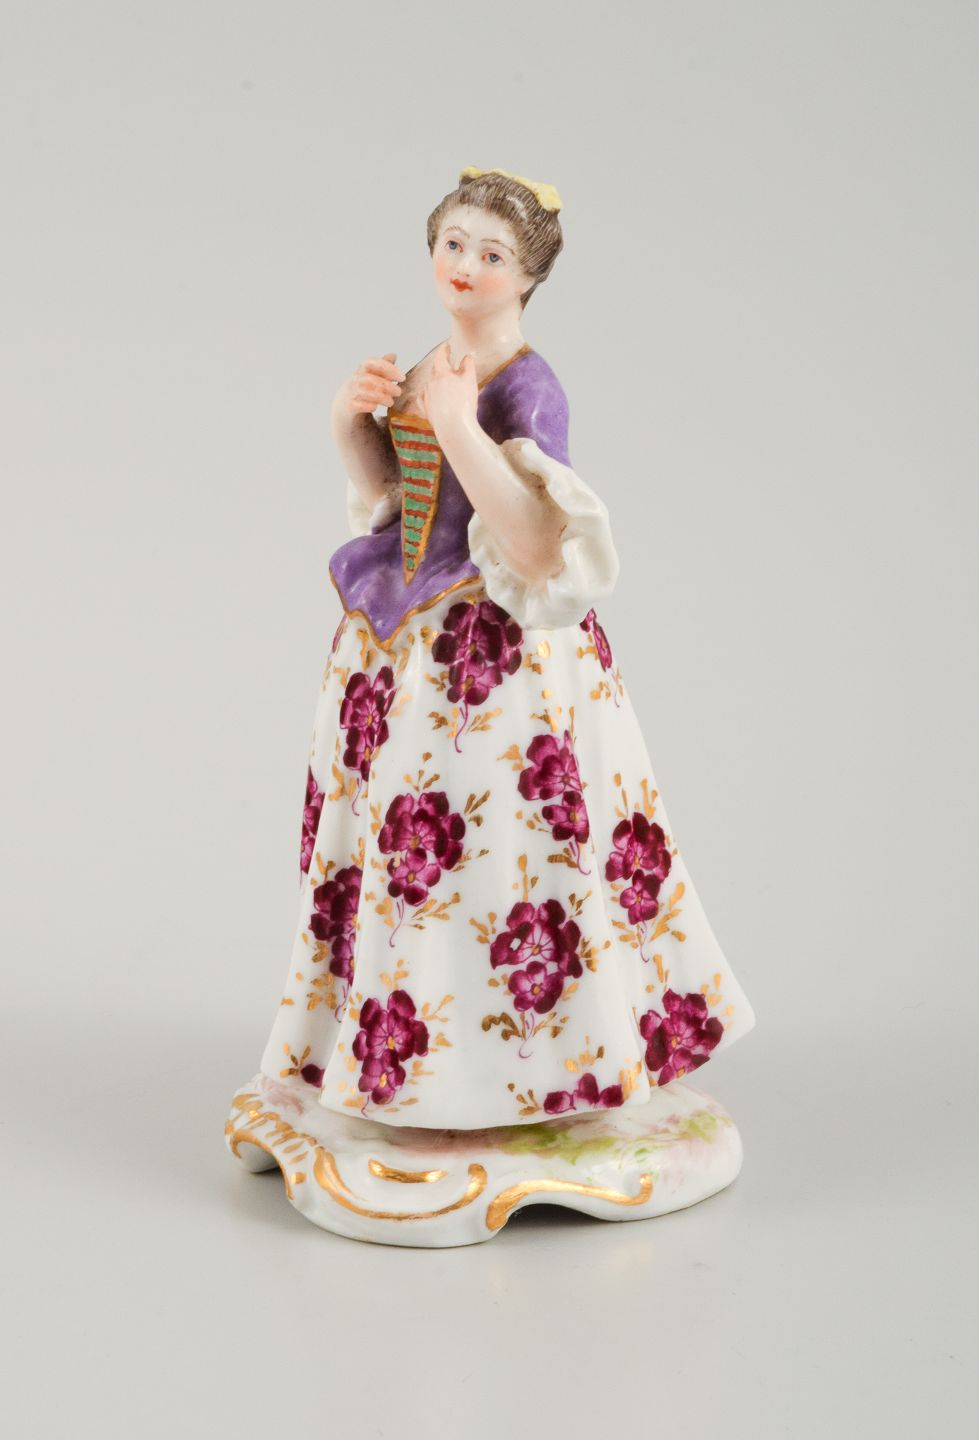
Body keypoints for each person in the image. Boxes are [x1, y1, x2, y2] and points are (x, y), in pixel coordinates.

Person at [254, 166, 755, 1129]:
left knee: (498, 851)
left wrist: (456, 424)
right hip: (400, 642)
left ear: (528, 278)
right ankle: (416, 1056)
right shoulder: (430, 366)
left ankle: (534, 1064)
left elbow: (533, 545)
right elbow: (392, 499)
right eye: (453, 244)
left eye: (491, 254)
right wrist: (349, 421)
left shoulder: (528, 388)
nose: (465, 265)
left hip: (494, 660)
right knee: (408, 852)